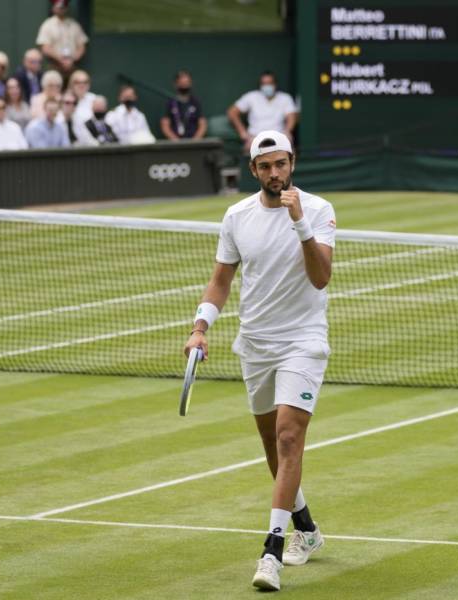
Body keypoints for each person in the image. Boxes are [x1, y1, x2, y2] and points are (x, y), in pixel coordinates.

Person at [182, 131, 333, 592]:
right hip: (256, 345)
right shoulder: (236, 216)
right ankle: (306, 528)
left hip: (303, 342)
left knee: (289, 437)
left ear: (292, 163)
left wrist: (299, 221)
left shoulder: (318, 210)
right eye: (265, 166)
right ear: (253, 170)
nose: (274, 173)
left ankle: (271, 551)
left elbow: (321, 277)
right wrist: (200, 327)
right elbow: (220, 281)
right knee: (272, 444)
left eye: (281, 163)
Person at [228, 71, 298, 152]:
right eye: (264, 83)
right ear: (260, 85)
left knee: (288, 143)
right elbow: (232, 112)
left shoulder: (285, 98)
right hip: (255, 137)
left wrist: (287, 131)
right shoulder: (251, 96)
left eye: (270, 83)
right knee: (249, 148)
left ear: (275, 84)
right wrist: (242, 132)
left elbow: (292, 116)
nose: (267, 86)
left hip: (279, 136)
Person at [36, 0, 87, 76]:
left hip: (72, 66)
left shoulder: (74, 25)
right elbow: (45, 48)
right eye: (58, 7)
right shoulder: (47, 25)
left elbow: (82, 46)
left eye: (63, 7)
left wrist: (72, 60)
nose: (60, 10)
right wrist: (61, 59)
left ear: (67, 8)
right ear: (53, 8)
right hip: (54, 66)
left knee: (79, 80)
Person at [161, 70, 207, 141]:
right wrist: (176, 141)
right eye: (182, 83)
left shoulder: (195, 102)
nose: (184, 85)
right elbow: (165, 124)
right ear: (176, 84)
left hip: (194, 142)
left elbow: (202, 124)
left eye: (186, 82)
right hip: (175, 143)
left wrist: (195, 141)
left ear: (190, 83)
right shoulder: (171, 103)